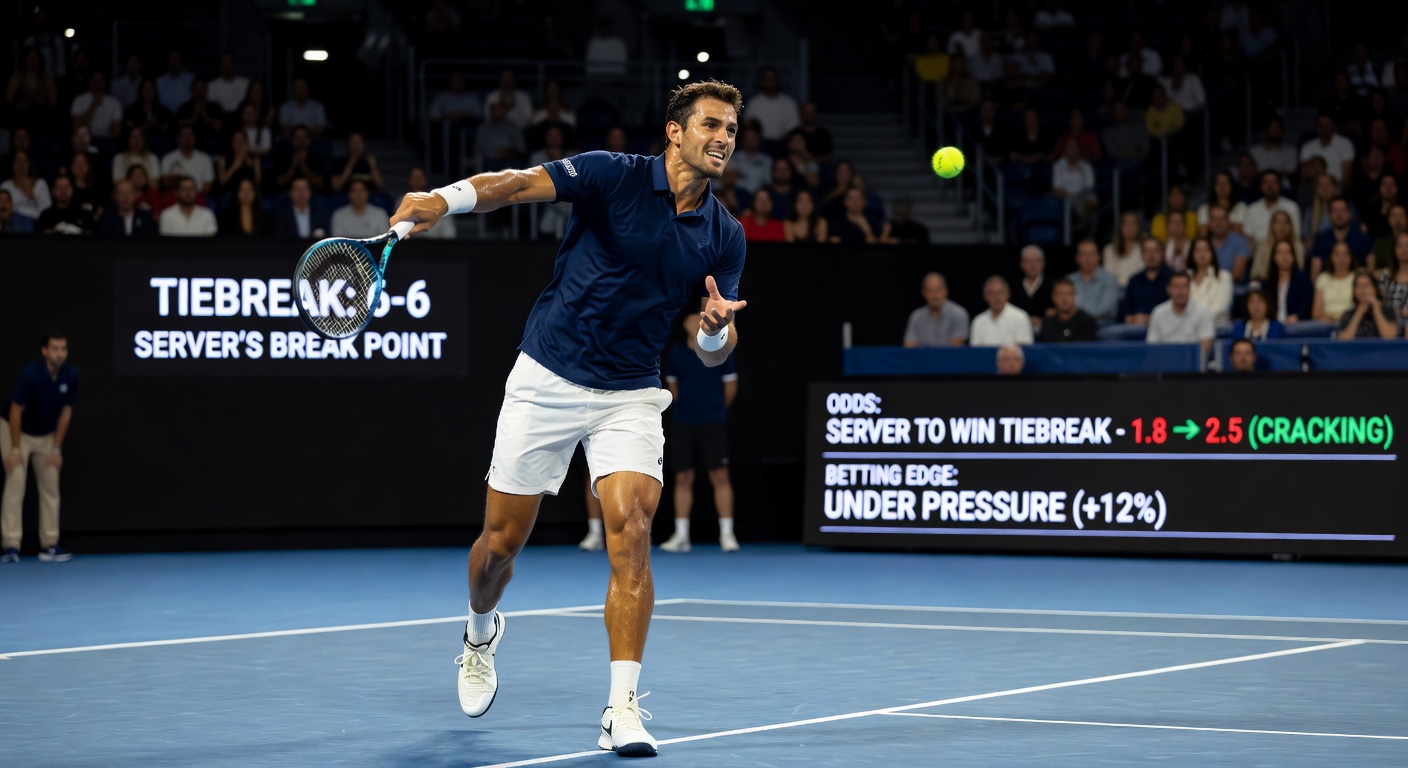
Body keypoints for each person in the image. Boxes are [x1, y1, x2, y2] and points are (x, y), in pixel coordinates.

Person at [389, 79, 749, 757]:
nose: (723, 138)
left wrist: (710, 331)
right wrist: (445, 198)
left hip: (631, 392)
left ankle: (621, 708)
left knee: (633, 530)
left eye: (731, 129)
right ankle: (480, 632)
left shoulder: (724, 235)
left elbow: (716, 347)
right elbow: (517, 184)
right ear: (675, 132)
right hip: (547, 375)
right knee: (499, 547)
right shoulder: (611, 174)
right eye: (711, 124)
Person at [659, 313, 739, 554]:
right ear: (685, 325)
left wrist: (715, 410)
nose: (697, 323)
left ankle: (727, 534)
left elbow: (731, 386)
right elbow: (672, 386)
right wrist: (686, 407)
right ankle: (681, 536)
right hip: (683, 423)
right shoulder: (676, 353)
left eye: (700, 319)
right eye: (692, 320)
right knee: (683, 477)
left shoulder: (720, 349)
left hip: (713, 423)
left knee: (720, 475)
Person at [2, 330, 78, 564]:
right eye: (55, 349)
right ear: (44, 351)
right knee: (16, 479)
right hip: (15, 430)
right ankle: (10, 546)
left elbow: (66, 413)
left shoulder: (71, 375)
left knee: (50, 482)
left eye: (63, 349)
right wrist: (15, 449)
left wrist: (56, 449)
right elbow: (16, 411)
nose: (59, 354)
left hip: (46, 434)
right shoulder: (30, 375)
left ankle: (50, 544)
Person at [1146, 272, 1214, 355]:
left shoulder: (1203, 312)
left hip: (1193, 360)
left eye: (1184, 287)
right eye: (1176, 287)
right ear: (1168, 289)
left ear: (1190, 289)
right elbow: (1152, 347)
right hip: (1165, 359)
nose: (1180, 292)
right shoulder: (1158, 313)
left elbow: (1206, 345)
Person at [1309, 197, 1373, 277]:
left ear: (1350, 213)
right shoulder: (1321, 239)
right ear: (1329, 215)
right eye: (1335, 211)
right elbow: (1316, 266)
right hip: (1329, 282)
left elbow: (1370, 262)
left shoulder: (1362, 238)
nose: (1339, 215)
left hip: (1357, 281)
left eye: (1343, 210)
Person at [903, 272, 969, 347]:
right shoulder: (916, 316)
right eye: (929, 290)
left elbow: (955, 348)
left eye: (938, 290)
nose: (934, 295)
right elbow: (909, 347)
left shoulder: (958, 314)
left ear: (946, 291)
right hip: (922, 355)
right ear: (924, 293)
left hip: (947, 355)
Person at [1242, 170, 1302, 246]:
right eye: (1266, 182)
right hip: (1259, 250)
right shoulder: (1252, 209)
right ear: (1260, 186)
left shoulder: (1292, 207)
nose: (1270, 186)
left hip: (1285, 249)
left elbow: (1296, 235)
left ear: (1279, 185)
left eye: (1273, 182)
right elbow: (1248, 237)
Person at [970, 276, 1034, 347]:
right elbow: (975, 350)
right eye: (992, 293)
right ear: (986, 296)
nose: (997, 297)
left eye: (1000, 293)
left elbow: (1025, 348)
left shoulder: (1020, 317)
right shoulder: (978, 321)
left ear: (1008, 294)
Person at [1122, 238, 1173, 324]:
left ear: (1162, 253)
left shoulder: (1172, 279)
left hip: (1166, 326)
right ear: (1142, 255)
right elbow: (1127, 316)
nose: (1151, 255)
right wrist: (1135, 319)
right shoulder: (1134, 280)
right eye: (1147, 251)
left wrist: (1151, 320)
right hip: (1137, 327)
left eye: (1155, 251)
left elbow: (1178, 312)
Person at [1336, 270, 1400, 339]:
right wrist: (1359, 313)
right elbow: (1343, 340)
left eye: (1366, 285)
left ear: (1375, 288)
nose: (1362, 290)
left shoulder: (1387, 311)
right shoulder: (1348, 314)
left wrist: (1376, 310)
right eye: (1358, 286)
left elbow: (1390, 337)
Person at [1262, 239, 1314, 323]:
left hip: (1297, 325)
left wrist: (1297, 316)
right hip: (1273, 324)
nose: (1284, 256)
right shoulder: (1268, 283)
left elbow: (1306, 304)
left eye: (1288, 252)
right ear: (1274, 257)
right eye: (1280, 253)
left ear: (1293, 255)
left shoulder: (1303, 278)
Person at [1067, 239, 1119, 322]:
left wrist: (1074, 312)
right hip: (1073, 324)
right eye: (1084, 254)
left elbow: (1104, 309)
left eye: (1091, 254)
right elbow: (1064, 305)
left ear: (1098, 257)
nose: (1088, 258)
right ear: (1077, 258)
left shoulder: (1109, 279)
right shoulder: (1069, 280)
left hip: (1102, 325)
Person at [747, 67, 800, 144]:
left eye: (773, 79)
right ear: (762, 81)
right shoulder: (754, 103)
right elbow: (750, 125)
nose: (770, 82)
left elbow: (793, 127)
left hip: (784, 143)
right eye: (767, 79)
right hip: (760, 144)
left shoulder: (789, 103)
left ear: (777, 81)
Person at [402, 167, 457, 240]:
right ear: (409, 180)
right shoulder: (401, 202)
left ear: (426, 179)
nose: (417, 181)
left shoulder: (440, 201)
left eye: (420, 177)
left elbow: (449, 233)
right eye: (414, 178)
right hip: (410, 244)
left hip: (436, 244)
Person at [1188, 237, 1233, 324]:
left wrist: (1197, 322)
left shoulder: (1223, 276)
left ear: (1212, 253)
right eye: (1198, 250)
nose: (1202, 254)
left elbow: (1221, 307)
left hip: (1217, 325)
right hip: (1189, 326)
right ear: (1192, 254)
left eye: (1206, 250)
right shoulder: (1186, 276)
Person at [1249, 210, 1304, 281]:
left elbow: (1300, 269)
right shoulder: (1263, 245)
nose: (1282, 226)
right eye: (1278, 222)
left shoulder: (1297, 246)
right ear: (1271, 226)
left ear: (1291, 226)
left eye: (1286, 222)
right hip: (1265, 282)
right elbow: (1255, 272)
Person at [1300, 114, 1355, 185]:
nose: (1324, 127)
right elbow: (1304, 175)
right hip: (1315, 186)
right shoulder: (1307, 146)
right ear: (1317, 127)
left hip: (1338, 186)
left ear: (1334, 126)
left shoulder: (1345, 143)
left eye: (1327, 124)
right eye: (1321, 124)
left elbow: (1347, 176)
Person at [1038, 277, 1098, 342]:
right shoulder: (1048, 323)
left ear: (1074, 295)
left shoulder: (1087, 322)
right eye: (1060, 294)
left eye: (1068, 294)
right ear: (1053, 297)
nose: (1064, 299)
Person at [160, 126, 215, 194]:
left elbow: (208, 185)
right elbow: (166, 183)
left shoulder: (205, 158)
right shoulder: (168, 158)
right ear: (178, 138)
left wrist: (191, 194)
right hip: (176, 195)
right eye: (184, 135)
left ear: (195, 138)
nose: (187, 138)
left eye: (190, 135)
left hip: (198, 195)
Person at [69, 71, 123, 140]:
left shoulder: (114, 103)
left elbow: (116, 132)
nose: (98, 83)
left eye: (100, 80)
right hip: (85, 139)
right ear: (89, 82)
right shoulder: (79, 100)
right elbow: (77, 127)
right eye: (95, 80)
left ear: (105, 83)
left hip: (107, 140)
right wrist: (93, 105)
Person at [1312, 241, 1359, 322]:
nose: (1342, 258)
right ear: (1331, 257)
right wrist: (1330, 318)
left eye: (1345, 254)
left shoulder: (1358, 276)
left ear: (1351, 257)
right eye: (1337, 254)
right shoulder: (1323, 278)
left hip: (1352, 322)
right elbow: (1316, 314)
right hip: (1326, 323)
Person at [273, 125, 328, 193]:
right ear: (292, 140)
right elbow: (279, 183)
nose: (301, 140)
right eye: (297, 137)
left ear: (309, 140)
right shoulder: (283, 157)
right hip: (287, 193)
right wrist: (293, 165)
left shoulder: (317, 158)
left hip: (312, 193)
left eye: (304, 137)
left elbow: (320, 184)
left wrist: (303, 166)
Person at [1207, 204, 1253, 283]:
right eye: (1214, 219)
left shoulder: (1240, 241)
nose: (1218, 223)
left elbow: (1237, 274)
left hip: (1234, 287)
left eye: (1222, 219)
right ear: (1209, 223)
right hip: (1208, 286)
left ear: (1229, 221)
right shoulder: (1203, 242)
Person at [2, 151, 51, 221]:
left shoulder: (41, 184)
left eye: (24, 160)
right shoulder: (5, 186)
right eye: (18, 161)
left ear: (29, 163)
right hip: (12, 222)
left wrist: (32, 196)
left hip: (37, 222)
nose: (21, 164)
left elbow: (47, 210)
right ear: (12, 164)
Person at [1011, 244, 1052, 321]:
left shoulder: (1052, 286)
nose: (1033, 265)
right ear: (1022, 264)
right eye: (1028, 261)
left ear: (1043, 263)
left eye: (1037, 261)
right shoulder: (1013, 287)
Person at [1104, 211, 1144, 287]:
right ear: (1120, 227)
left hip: (1138, 288)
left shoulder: (1144, 248)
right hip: (1116, 289)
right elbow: (1109, 276)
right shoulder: (1109, 249)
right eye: (1126, 223)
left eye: (1134, 223)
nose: (1130, 227)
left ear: (1138, 227)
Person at [155, 49, 194, 114]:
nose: (174, 62)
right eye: (172, 59)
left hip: (187, 115)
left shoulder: (191, 79)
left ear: (181, 61)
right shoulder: (160, 82)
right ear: (168, 62)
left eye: (177, 59)